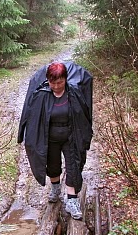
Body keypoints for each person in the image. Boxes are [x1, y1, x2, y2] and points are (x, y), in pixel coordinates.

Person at [17, 62, 93, 219]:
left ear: (66, 79)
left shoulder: (74, 93)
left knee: (73, 166)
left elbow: (83, 115)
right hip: (49, 137)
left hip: (70, 137)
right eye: (53, 83)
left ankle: (72, 200)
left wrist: (84, 136)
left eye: (60, 82)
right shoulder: (41, 94)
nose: (57, 86)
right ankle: (56, 188)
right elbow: (31, 117)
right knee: (52, 165)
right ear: (48, 81)